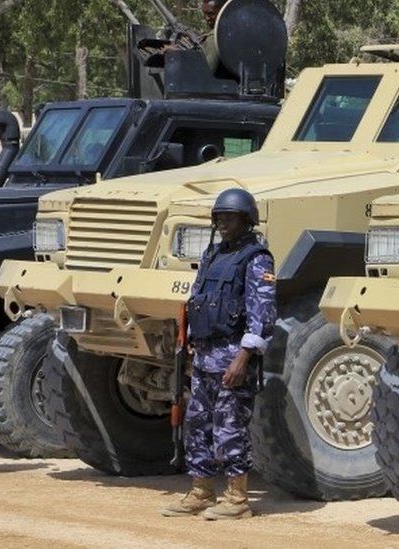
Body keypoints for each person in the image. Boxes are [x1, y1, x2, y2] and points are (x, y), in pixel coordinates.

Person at [161, 187, 276, 520]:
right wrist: (193, 344)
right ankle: (201, 492)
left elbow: (263, 313)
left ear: (246, 220)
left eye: (230, 217)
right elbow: (198, 299)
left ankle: (237, 499)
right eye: (219, 217)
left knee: (230, 429)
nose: (223, 223)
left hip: (232, 359)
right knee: (198, 426)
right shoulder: (212, 254)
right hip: (205, 357)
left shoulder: (256, 259)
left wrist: (244, 358)